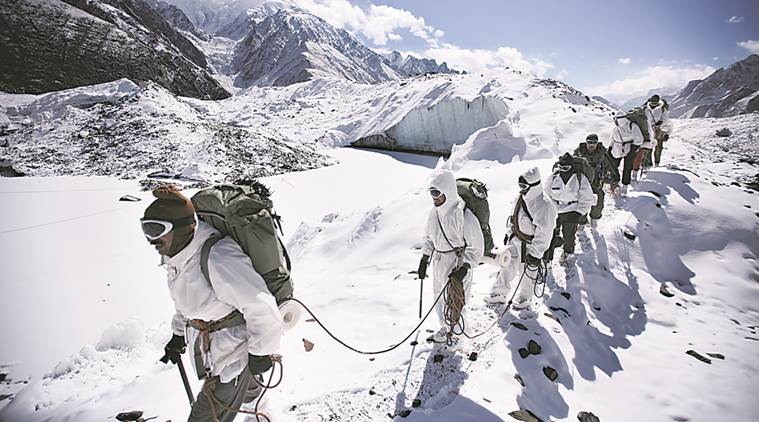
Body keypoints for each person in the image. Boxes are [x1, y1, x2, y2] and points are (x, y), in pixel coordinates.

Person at [141, 186, 284, 422]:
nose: (151, 239)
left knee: (205, 416)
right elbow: (188, 301)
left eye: (157, 229)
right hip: (215, 347)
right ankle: (256, 412)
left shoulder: (218, 256)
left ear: (183, 227)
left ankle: (255, 407)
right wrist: (179, 335)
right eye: (145, 229)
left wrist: (260, 353)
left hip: (233, 352)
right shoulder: (180, 256)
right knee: (248, 393)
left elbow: (260, 306)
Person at [417, 169, 484, 350]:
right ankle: (445, 328)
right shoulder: (434, 213)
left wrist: (464, 269)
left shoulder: (464, 216)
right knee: (439, 299)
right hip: (438, 262)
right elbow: (429, 238)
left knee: (456, 302)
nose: (434, 198)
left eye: (437, 193)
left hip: (457, 264)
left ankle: (457, 334)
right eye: (432, 194)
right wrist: (424, 258)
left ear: (447, 191)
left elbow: (477, 248)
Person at [487, 167, 557, 308]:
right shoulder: (521, 197)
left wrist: (536, 254)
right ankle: (499, 292)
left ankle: (525, 298)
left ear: (534, 186)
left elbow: (545, 233)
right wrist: (508, 235)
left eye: (524, 186)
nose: (521, 189)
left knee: (527, 273)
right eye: (520, 186)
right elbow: (514, 217)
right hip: (515, 240)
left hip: (531, 245)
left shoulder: (545, 205)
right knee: (507, 265)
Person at [547, 153, 596, 262]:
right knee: (550, 234)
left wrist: (579, 212)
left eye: (566, 168)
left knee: (568, 235)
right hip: (555, 209)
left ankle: (567, 253)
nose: (563, 170)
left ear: (571, 167)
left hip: (571, 210)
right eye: (560, 167)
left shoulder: (580, 178)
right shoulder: (553, 177)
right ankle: (548, 256)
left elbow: (586, 197)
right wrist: (550, 208)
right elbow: (546, 195)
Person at [573, 134, 620, 227]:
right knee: (581, 204)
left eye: (594, 142)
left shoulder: (602, 155)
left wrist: (615, 179)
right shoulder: (578, 154)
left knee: (598, 204)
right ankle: (582, 222)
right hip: (582, 185)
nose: (591, 145)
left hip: (597, 183)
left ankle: (594, 219)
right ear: (586, 143)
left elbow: (612, 166)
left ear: (597, 143)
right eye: (589, 142)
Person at [609, 112, 644, 196]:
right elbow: (639, 139)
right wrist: (633, 149)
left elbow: (612, 139)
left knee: (619, 167)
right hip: (622, 148)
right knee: (622, 167)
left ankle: (620, 185)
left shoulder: (630, 126)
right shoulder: (630, 126)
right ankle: (621, 185)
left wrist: (610, 148)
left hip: (622, 148)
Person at [645, 95, 673, 166]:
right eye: (652, 103)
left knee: (658, 148)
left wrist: (661, 122)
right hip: (649, 130)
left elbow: (666, 120)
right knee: (648, 147)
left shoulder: (662, 109)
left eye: (655, 103)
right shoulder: (646, 109)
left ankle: (657, 163)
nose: (653, 104)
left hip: (659, 130)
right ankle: (648, 163)